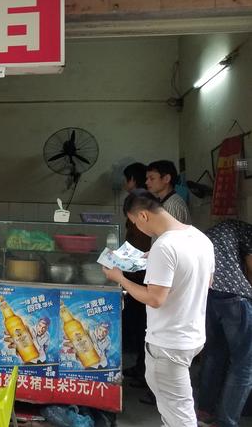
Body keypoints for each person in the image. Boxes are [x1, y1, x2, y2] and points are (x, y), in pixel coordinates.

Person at [103, 189, 214, 427]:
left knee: (180, 415)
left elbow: (154, 298)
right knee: (174, 409)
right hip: (192, 337)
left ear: (143, 216)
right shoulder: (199, 238)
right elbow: (207, 282)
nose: (138, 228)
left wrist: (119, 278)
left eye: (135, 223)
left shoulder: (164, 246)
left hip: (168, 343)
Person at [197, 219, 252, 427]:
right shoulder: (248, 233)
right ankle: (225, 422)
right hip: (234, 298)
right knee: (244, 364)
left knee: (214, 354)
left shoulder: (222, 229)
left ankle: (204, 410)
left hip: (209, 293)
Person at [121, 163, 151, 383]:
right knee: (139, 323)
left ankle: (144, 371)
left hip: (140, 273)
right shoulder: (143, 202)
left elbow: (139, 242)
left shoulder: (141, 203)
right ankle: (141, 367)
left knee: (142, 324)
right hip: (135, 271)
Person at [146, 160, 191, 224]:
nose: (146, 182)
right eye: (147, 179)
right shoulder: (165, 201)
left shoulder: (172, 205)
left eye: (152, 178)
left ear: (166, 179)